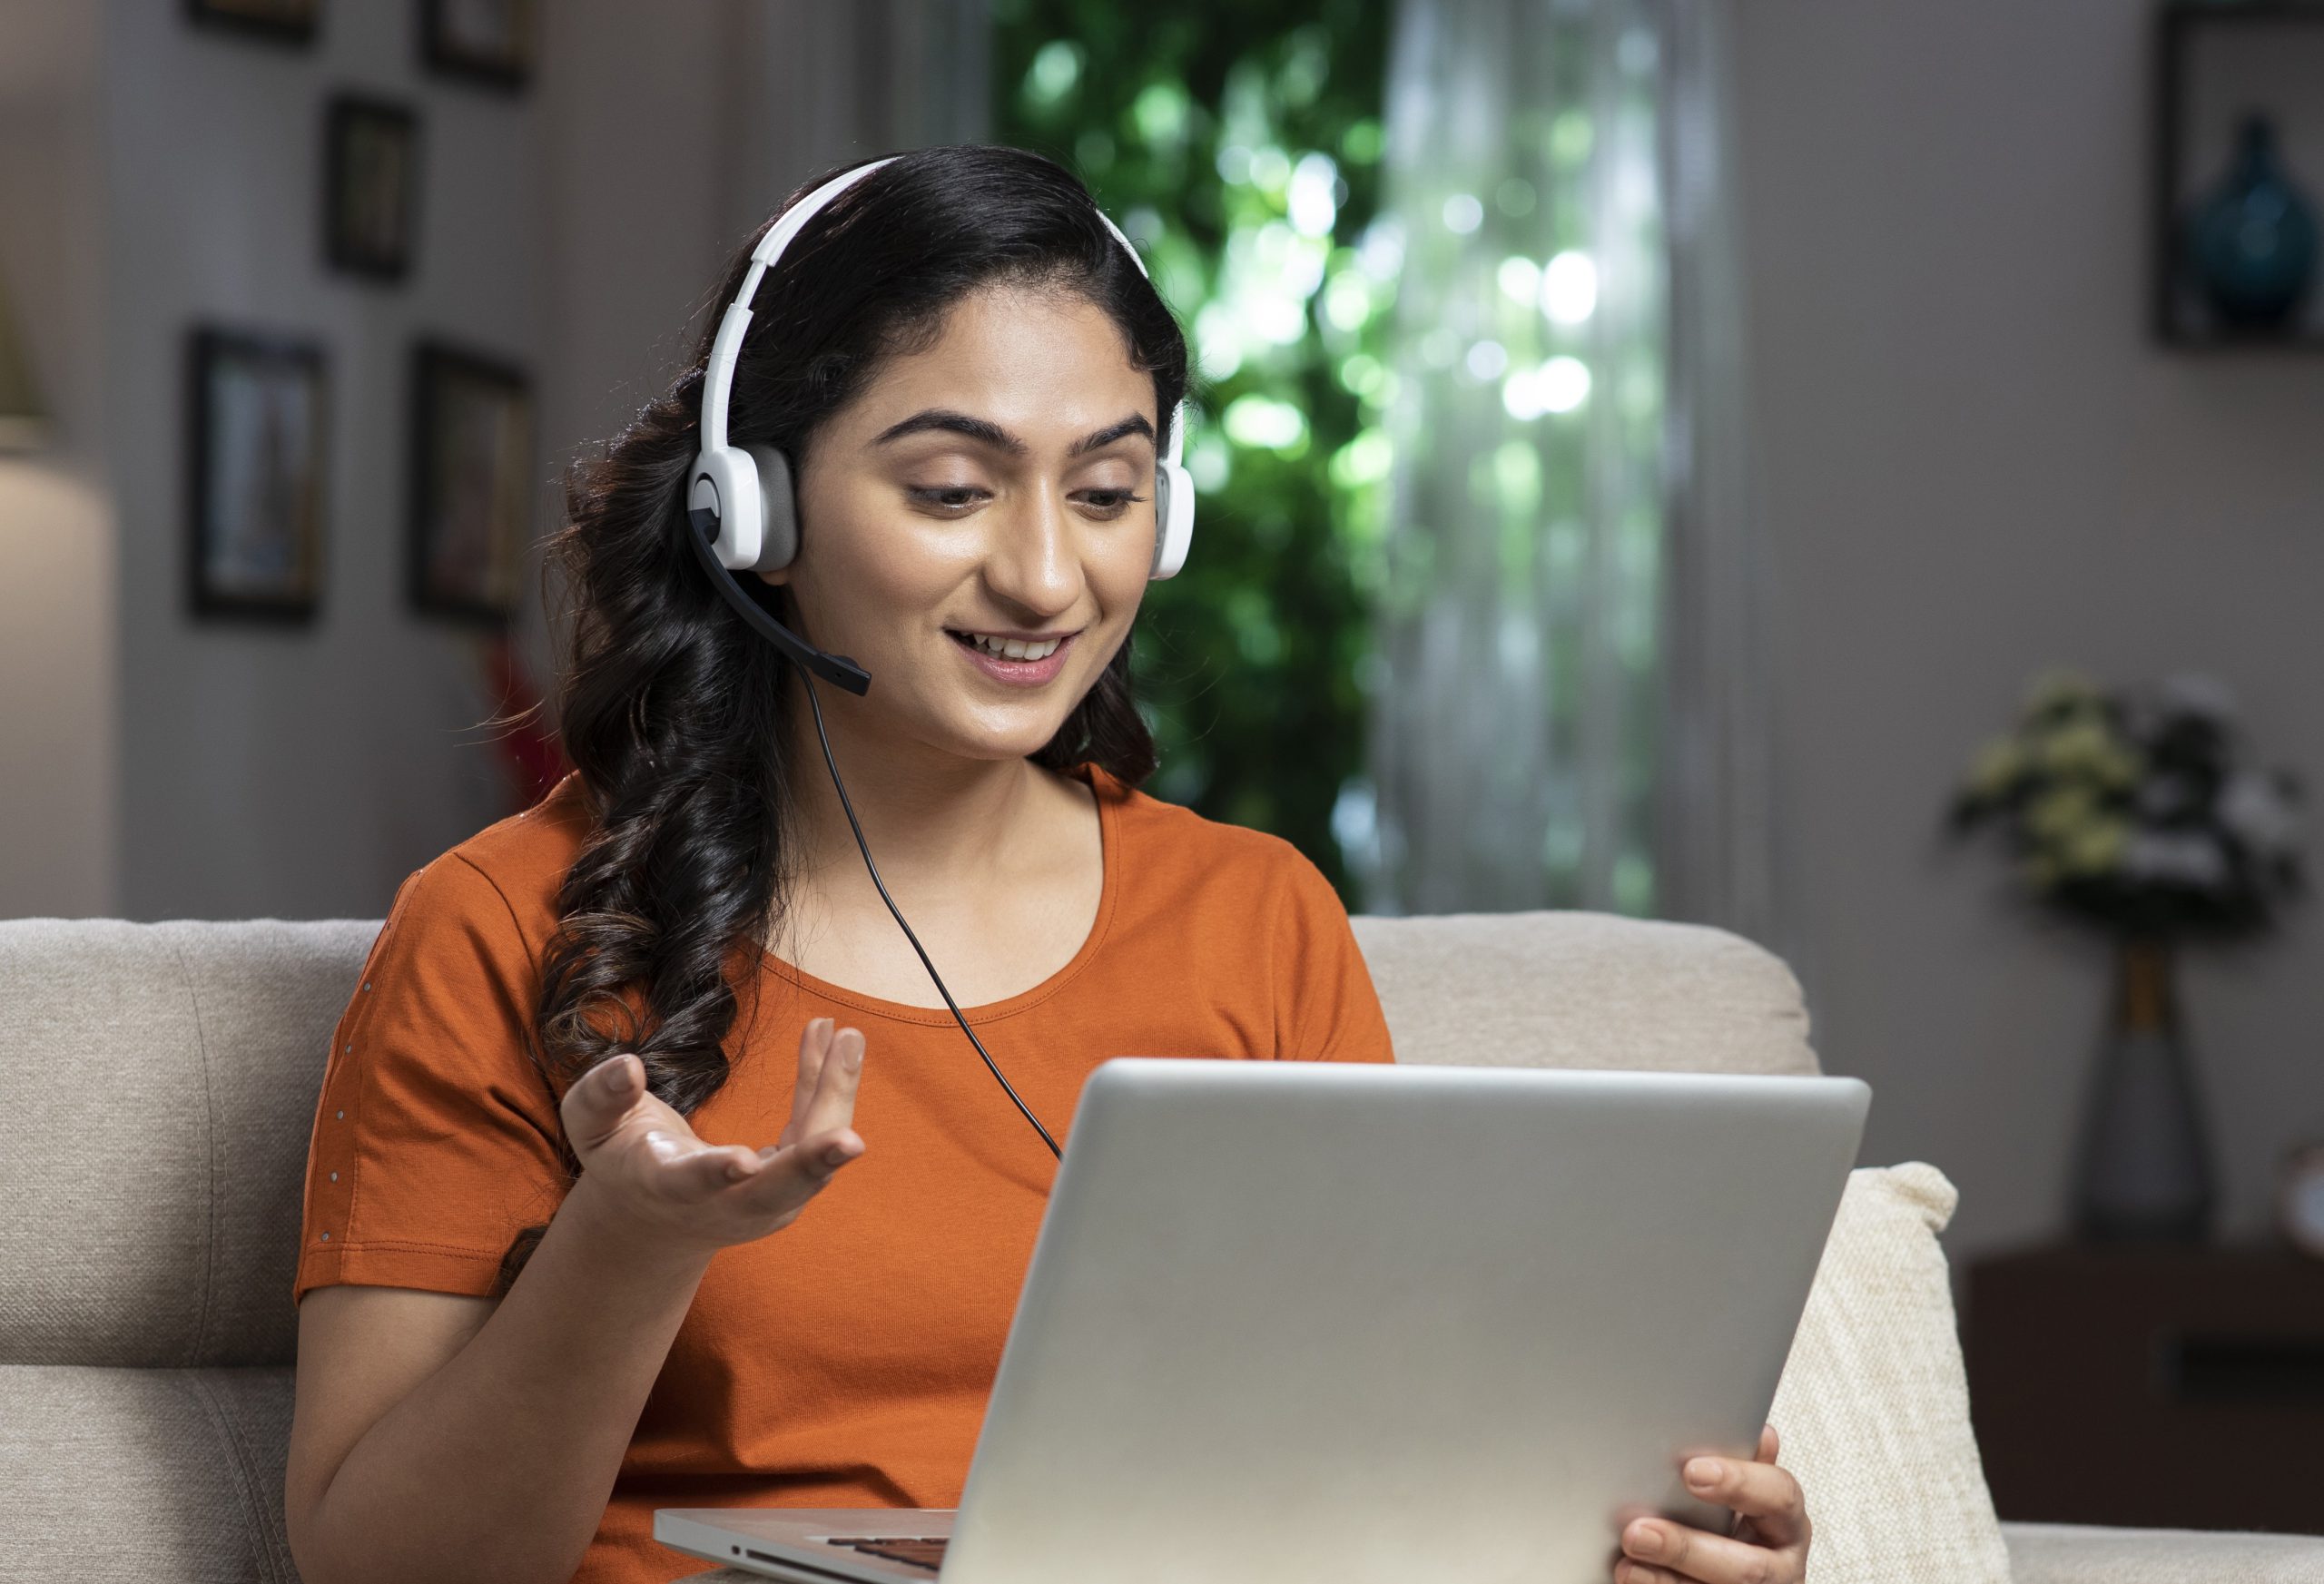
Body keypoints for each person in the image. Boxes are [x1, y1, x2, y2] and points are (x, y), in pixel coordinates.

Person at [281, 143, 1812, 1584]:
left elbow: (1352, 1486)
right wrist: (620, 1254)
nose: (1043, 574)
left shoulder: (1256, 920)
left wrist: (1632, 1540)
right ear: (754, 505)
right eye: (952, 489)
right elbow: (371, 1563)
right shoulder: (502, 925)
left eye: (1105, 491)